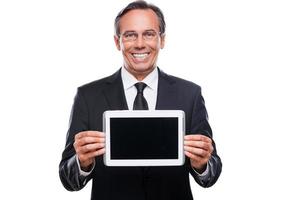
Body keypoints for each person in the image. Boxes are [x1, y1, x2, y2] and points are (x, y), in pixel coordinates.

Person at [59, 1, 222, 200]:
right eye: (130, 35)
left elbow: (211, 175)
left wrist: (202, 164)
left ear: (162, 40)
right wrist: (82, 163)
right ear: (117, 42)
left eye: (149, 34)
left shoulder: (190, 94)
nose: (139, 44)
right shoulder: (88, 96)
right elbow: (68, 180)